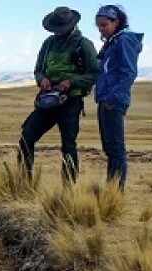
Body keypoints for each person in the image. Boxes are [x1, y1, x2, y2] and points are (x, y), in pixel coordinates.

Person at [18, 6, 99, 184]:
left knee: (68, 143)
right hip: (47, 99)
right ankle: (23, 181)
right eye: (55, 29)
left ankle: (68, 186)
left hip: (71, 100)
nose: (58, 32)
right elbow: (38, 70)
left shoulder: (83, 44)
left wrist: (72, 82)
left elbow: (95, 73)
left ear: (71, 26)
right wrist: (43, 79)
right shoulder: (48, 44)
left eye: (60, 29)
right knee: (27, 136)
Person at [95, 5, 143, 191]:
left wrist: (112, 98)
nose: (101, 29)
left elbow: (129, 72)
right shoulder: (113, 41)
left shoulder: (124, 40)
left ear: (117, 22)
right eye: (99, 26)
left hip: (112, 101)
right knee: (110, 149)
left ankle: (116, 193)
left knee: (116, 149)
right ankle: (112, 189)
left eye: (104, 25)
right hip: (105, 99)